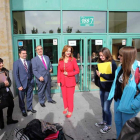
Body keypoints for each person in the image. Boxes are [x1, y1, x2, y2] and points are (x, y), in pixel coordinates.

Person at [107, 47, 140, 139]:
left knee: (127, 130)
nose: (118, 57)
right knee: (118, 124)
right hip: (118, 101)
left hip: (129, 106)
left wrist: (134, 105)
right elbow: (116, 83)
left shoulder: (138, 70)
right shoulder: (120, 67)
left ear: (127, 57)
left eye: (120, 55)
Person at [95, 47, 117, 133]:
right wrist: (97, 73)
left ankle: (109, 125)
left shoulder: (113, 63)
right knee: (103, 106)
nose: (101, 57)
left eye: (102, 56)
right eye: (100, 56)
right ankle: (104, 121)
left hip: (109, 89)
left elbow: (113, 76)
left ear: (107, 54)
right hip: (102, 88)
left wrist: (102, 74)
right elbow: (98, 73)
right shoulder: (100, 63)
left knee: (106, 108)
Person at [57, 45, 79, 118]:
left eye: (70, 51)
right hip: (63, 81)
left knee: (70, 97)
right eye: (67, 51)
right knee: (64, 96)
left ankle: (70, 110)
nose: (68, 52)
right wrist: (58, 81)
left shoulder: (73, 60)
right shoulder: (60, 60)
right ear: (64, 51)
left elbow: (77, 71)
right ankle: (66, 107)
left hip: (70, 81)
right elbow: (59, 71)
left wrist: (69, 74)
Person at [13, 48, 36, 117]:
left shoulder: (29, 62)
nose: (25, 55)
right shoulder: (16, 63)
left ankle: (29, 108)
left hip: (29, 82)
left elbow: (30, 72)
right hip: (21, 84)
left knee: (29, 96)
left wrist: (32, 80)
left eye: (25, 53)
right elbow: (16, 75)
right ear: (19, 54)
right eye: (23, 53)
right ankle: (23, 109)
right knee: (21, 98)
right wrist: (18, 85)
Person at [0, 58, 18, 129]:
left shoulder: (5, 70)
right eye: (0, 63)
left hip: (7, 93)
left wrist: (8, 83)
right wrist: (3, 84)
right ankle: (1, 124)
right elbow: (4, 84)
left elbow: (9, 81)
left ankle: (9, 120)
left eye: (2, 62)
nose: (1, 64)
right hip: (0, 95)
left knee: (11, 105)